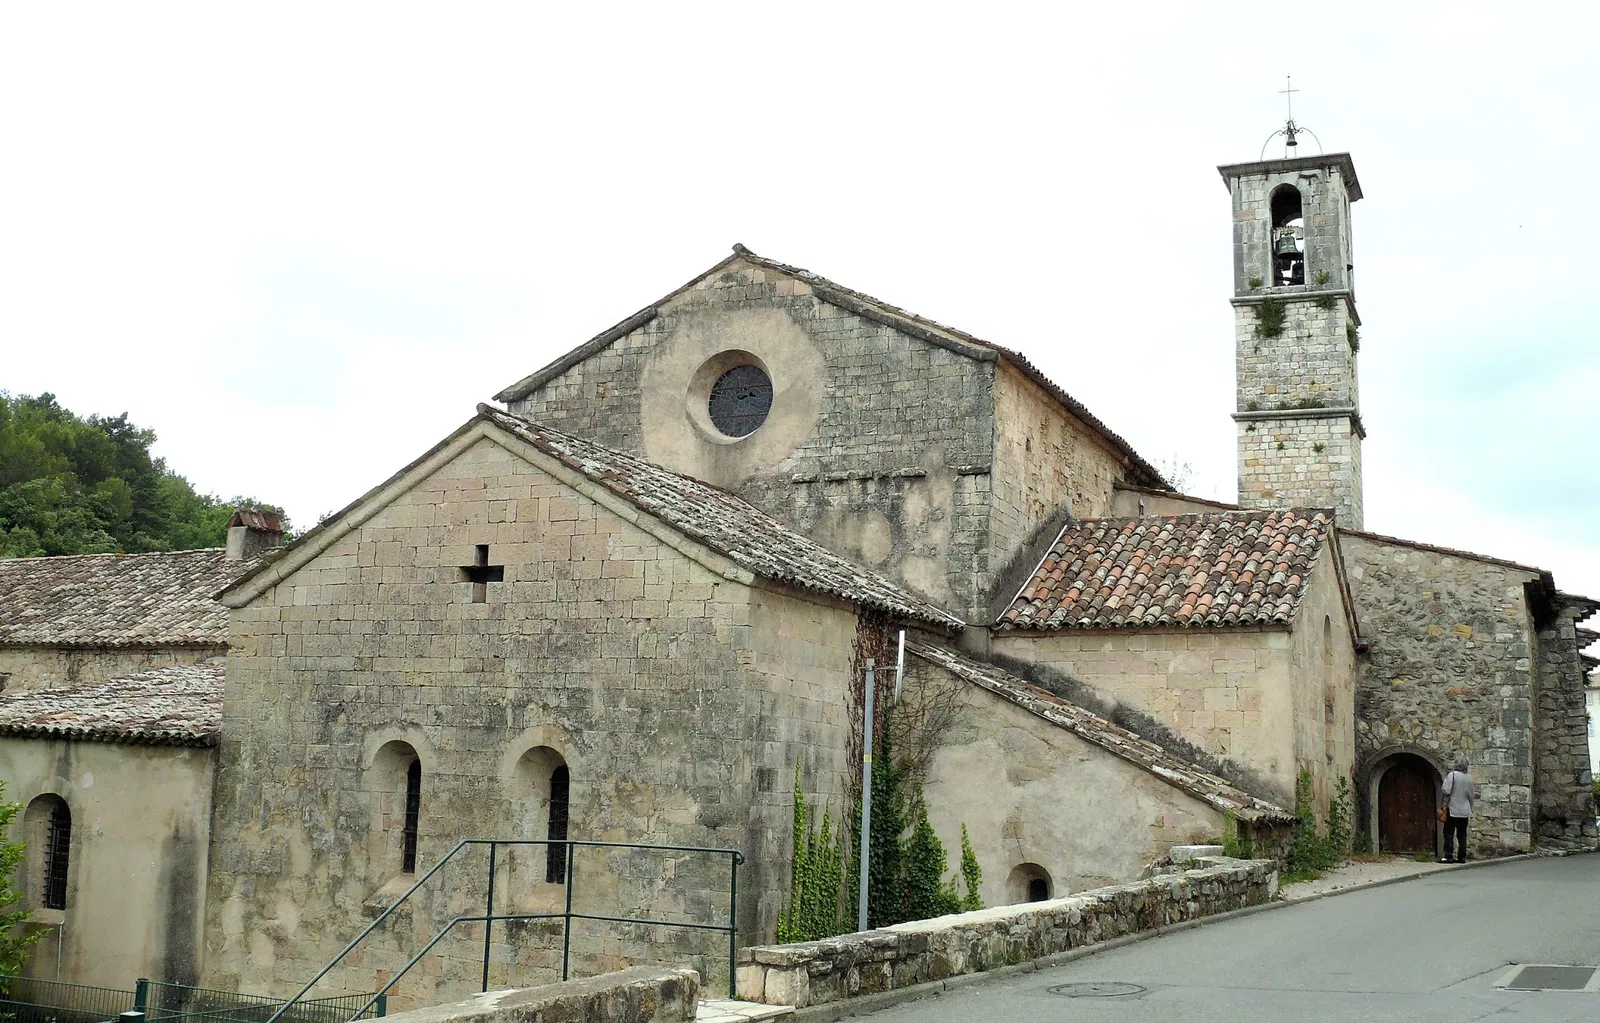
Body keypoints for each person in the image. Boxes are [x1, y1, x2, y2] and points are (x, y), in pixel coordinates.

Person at [1440, 759, 1477, 863]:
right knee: (1462, 834)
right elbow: (1471, 796)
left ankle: (1448, 855)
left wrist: (1444, 784)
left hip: (1453, 808)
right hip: (1465, 809)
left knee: (1448, 832)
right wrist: (1470, 808)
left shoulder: (1452, 775)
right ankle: (1462, 856)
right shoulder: (1469, 778)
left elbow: (1446, 790)